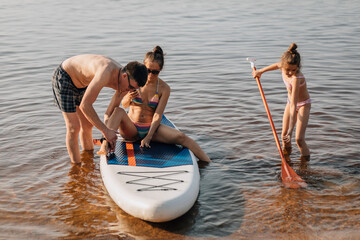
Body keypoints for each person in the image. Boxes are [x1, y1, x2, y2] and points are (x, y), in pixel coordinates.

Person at [99, 46, 211, 162]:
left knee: (182, 137)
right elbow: (124, 105)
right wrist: (128, 98)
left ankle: (209, 162)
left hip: (150, 129)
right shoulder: (134, 80)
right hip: (130, 129)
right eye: (148, 70)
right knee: (118, 111)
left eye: (155, 72)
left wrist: (149, 137)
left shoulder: (164, 88)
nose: (151, 75)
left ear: (160, 71)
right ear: (143, 66)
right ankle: (104, 145)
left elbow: (158, 115)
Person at [52, 54, 148, 164]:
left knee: (88, 125)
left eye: (135, 89)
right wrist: (105, 131)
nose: (131, 91)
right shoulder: (106, 72)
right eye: (131, 87)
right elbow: (85, 105)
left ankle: (88, 163)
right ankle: (76, 169)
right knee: (74, 127)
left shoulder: (126, 83)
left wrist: (109, 134)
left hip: (82, 83)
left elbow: (110, 112)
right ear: (125, 76)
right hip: (65, 77)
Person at [252, 43, 311, 161]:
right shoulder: (283, 66)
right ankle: (287, 160)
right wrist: (260, 71)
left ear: (298, 67)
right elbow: (276, 65)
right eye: (287, 69)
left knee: (298, 139)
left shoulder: (296, 78)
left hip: (303, 105)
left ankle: (305, 164)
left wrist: (291, 129)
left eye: (293, 70)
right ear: (284, 65)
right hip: (290, 103)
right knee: (284, 136)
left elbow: (295, 104)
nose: (289, 72)